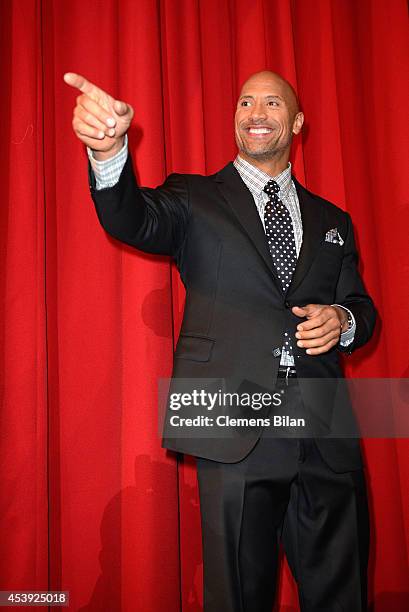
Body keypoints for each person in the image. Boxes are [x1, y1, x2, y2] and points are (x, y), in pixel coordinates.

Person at [64, 69, 376, 611]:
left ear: (297, 122)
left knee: (341, 596)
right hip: (231, 423)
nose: (255, 112)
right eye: (245, 101)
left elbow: (364, 310)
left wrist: (343, 321)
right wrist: (109, 152)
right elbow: (131, 219)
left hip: (326, 434)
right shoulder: (193, 196)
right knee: (237, 596)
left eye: (272, 102)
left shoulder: (335, 220)